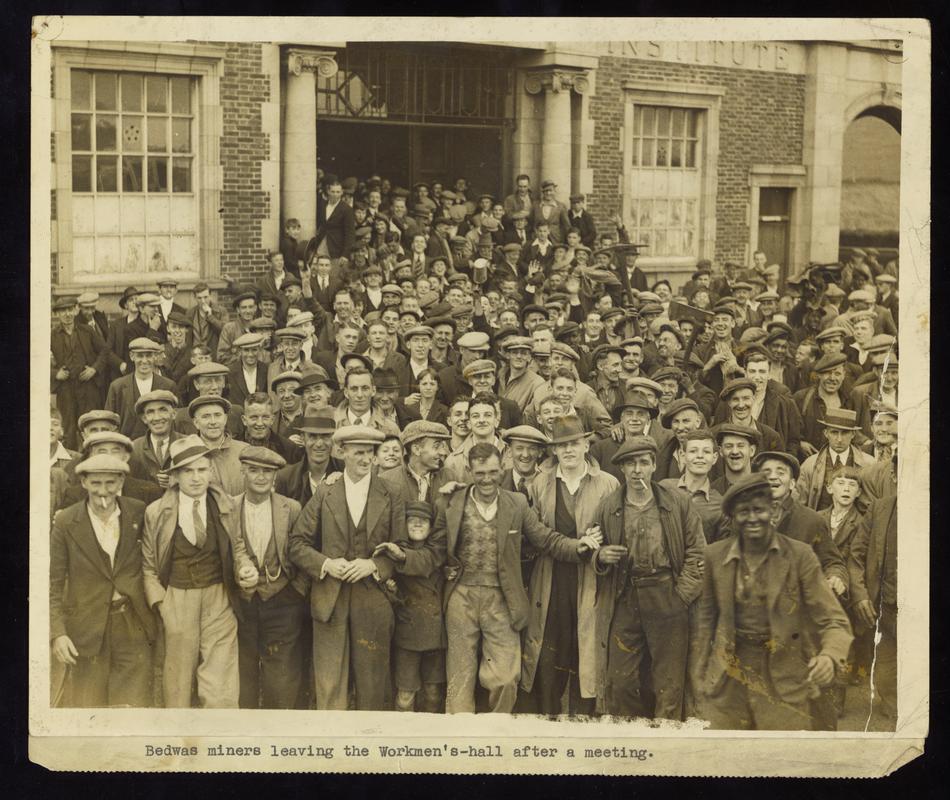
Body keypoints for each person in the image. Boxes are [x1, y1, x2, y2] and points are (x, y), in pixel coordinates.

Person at [432, 443, 601, 713]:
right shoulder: (452, 501)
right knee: (460, 678)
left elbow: (545, 538)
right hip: (461, 596)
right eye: (480, 473)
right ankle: (461, 741)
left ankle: (500, 736)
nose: (487, 479)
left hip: (501, 596)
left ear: (502, 468)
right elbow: (435, 549)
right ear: (469, 472)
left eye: (493, 472)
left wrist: (577, 546)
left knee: (506, 677)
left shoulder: (516, 503)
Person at [693, 473, 853, 730]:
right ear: (733, 517)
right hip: (727, 680)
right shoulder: (715, 555)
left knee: (781, 759)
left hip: (785, 679)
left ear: (774, 511)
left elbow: (833, 619)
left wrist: (829, 657)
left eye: (759, 509)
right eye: (743, 511)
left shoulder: (800, 556)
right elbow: (706, 623)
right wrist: (700, 677)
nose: (752, 518)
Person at [289, 426, 416, 710]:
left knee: (373, 685)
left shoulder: (392, 492)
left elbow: (401, 546)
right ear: (341, 452)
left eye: (370, 453)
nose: (365, 459)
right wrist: (326, 564)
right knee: (329, 684)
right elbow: (297, 544)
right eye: (358, 452)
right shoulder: (326, 491)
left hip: (374, 598)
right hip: (330, 599)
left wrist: (373, 564)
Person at [592, 436, 706, 720]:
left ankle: (665, 751)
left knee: (669, 684)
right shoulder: (609, 506)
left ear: (654, 465)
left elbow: (698, 553)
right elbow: (591, 545)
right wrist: (600, 556)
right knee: (620, 682)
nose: (637, 470)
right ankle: (634, 746)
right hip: (625, 595)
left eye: (644, 462)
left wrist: (681, 597)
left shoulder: (677, 503)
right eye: (630, 463)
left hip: (667, 593)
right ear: (622, 469)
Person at [142, 435, 260, 708]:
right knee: (178, 679)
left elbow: (238, 547)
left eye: (201, 469)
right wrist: (162, 604)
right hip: (178, 596)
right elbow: (148, 566)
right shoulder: (157, 511)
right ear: (175, 476)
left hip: (218, 595)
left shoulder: (225, 505)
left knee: (220, 679)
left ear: (211, 471)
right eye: (187, 471)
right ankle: (178, 739)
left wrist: (245, 568)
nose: (196, 478)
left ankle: (218, 736)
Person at [519, 416, 619, 715]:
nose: (569, 450)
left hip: (591, 580)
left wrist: (597, 541)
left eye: (574, 443)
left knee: (585, 653)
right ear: (554, 451)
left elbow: (614, 530)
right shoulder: (541, 484)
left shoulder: (607, 484)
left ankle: (582, 724)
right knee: (549, 657)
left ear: (586, 444)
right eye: (562, 446)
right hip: (551, 579)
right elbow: (535, 533)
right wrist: (578, 543)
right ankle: (549, 723)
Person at [50, 454, 157, 707]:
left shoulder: (137, 512)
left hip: (132, 624)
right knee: (89, 707)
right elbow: (52, 584)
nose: (103, 492)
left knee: (132, 707)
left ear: (121, 481)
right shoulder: (66, 521)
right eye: (96, 483)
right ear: (84, 482)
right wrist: (57, 633)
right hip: (86, 630)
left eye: (110, 483)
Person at [231, 447, 308, 709]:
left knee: (282, 676)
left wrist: (295, 592)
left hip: (282, 600)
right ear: (243, 471)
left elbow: (302, 552)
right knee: (244, 672)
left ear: (275, 475)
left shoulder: (292, 508)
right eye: (254, 470)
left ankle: (280, 732)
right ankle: (247, 735)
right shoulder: (228, 508)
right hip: (243, 601)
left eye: (267, 471)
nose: (261, 477)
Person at [373, 501, 447, 713]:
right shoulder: (395, 553)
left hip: (436, 637)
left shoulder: (439, 553)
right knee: (405, 695)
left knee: (433, 693)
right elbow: (388, 595)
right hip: (407, 635)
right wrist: (393, 591)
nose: (417, 525)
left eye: (423, 521)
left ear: (432, 527)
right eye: (411, 520)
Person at [847, 493, 897, 730]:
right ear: (894, 477)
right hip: (886, 608)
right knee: (888, 688)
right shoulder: (880, 507)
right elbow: (856, 555)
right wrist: (860, 595)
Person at [51, 296, 110, 448]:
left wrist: (94, 369)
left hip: (88, 388)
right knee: (68, 430)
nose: (67, 314)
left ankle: (93, 463)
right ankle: (69, 467)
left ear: (76, 311)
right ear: (57, 314)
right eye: (63, 311)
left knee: (90, 426)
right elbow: (37, 360)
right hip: (66, 390)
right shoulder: (51, 335)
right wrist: (55, 373)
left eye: (70, 310)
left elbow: (104, 350)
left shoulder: (87, 330)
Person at [795, 409, 875, 510]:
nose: (839, 439)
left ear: (853, 434)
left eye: (845, 433)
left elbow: (872, 504)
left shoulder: (868, 464)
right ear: (826, 433)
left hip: (855, 523)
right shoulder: (810, 465)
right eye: (834, 432)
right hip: (819, 522)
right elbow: (800, 505)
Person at [105, 337, 179, 440]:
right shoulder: (117, 387)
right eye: (140, 356)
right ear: (132, 356)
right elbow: (110, 423)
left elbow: (176, 422)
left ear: (155, 357)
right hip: (128, 446)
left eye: (148, 356)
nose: (144, 361)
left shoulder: (168, 386)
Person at [659, 428, 724, 543]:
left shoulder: (719, 504)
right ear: (683, 455)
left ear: (714, 458)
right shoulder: (664, 488)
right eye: (693, 451)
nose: (700, 456)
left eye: (706, 452)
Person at [275, 412, 341, 506]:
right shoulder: (286, 478)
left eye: (325, 436)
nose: (319, 444)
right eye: (312, 436)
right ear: (302, 438)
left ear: (333, 439)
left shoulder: (346, 471)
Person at [378, 420, 452, 505]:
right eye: (436, 446)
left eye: (442, 446)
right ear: (416, 449)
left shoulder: (450, 478)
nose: (443, 452)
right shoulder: (386, 481)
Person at [189, 395, 250, 495]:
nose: (213, 422)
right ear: (196, 423)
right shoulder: (186, 454)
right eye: (206, 416)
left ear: (225, 419)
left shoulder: (245, 451)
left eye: (217, 415)